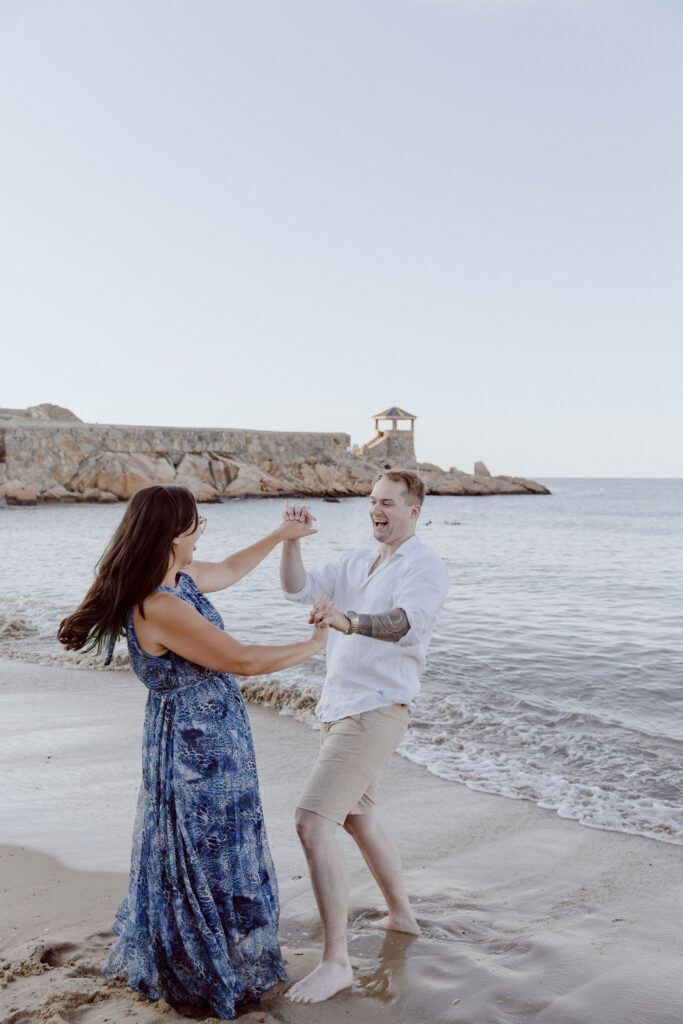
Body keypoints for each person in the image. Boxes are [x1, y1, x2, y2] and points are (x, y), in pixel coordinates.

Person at [57, 484, 326, 1020]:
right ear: (174, 533)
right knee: (207, 851)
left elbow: (226, 569)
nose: (203, 531)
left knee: (205, 848)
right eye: (197, 523)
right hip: (196, 749)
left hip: (201, 736)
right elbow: (243, 661)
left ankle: (212, 957)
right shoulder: (159, 605)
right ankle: (204, 972)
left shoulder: (174, 581)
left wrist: (280, 535)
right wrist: (318, 644)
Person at [279, 469, 449, 1004]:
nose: (377, 510)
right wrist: (289, 543)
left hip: (376, 709)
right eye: (373, 501)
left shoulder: (424, 565)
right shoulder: (355, 561)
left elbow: (406, 623)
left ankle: (336, 963)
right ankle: (402, 915)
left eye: (389, 503)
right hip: (338, 708)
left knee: (311, 822)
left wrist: (350, 621)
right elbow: (296, 588)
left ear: (414, 510)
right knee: (356, 817)